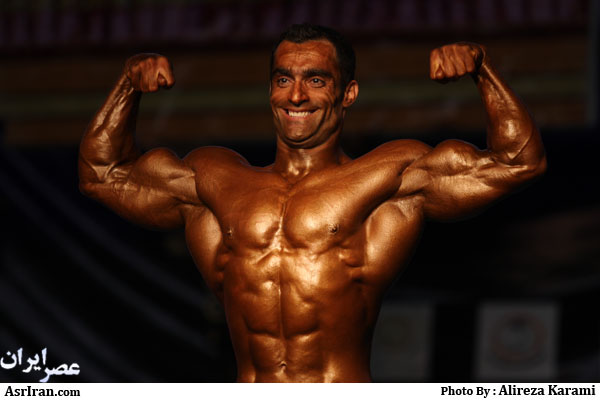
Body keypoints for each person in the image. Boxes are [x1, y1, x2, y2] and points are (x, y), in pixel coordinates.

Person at [78, 24, 546, 382]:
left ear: (348, 94)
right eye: (283, 79)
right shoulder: (215, 182)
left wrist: (482, 70)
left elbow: (518, 162)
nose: (296, 95)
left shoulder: (388, 178)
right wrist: (128, 85)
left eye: (316, 80)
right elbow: (100, 176)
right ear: (270, 90)